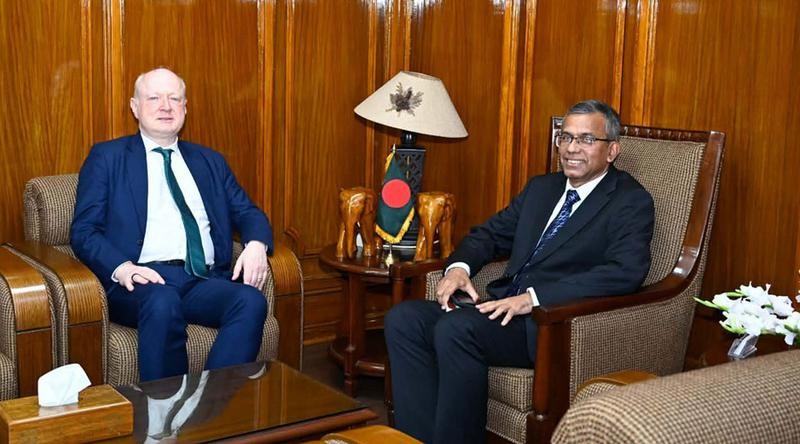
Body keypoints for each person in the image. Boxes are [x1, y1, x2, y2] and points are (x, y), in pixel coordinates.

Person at [384, 100, 655, 443]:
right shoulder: (542, 189)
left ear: (612, 150)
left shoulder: (629, 201)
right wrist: (458, 269)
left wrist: (533, 299)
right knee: (404, 319)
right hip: (499, 308)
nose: (571, 148)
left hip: (548, 323)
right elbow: (489, 235)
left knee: (456, 329)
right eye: (566, 137)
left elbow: (625, 272)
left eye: (586, 139)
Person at [71, 67, 273, 381]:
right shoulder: (108, 157)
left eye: (174, 98)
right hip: (140, 281)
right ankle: (163, 407)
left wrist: (257, 244)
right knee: (162, 300)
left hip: (200, 279)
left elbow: (247, 212)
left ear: (185, 108)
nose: (165, 106)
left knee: (250, 300)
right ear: (135, 107)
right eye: (154, 98)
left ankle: (211, 402)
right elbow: (84, 231)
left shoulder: (210, 161)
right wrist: (123, 268)